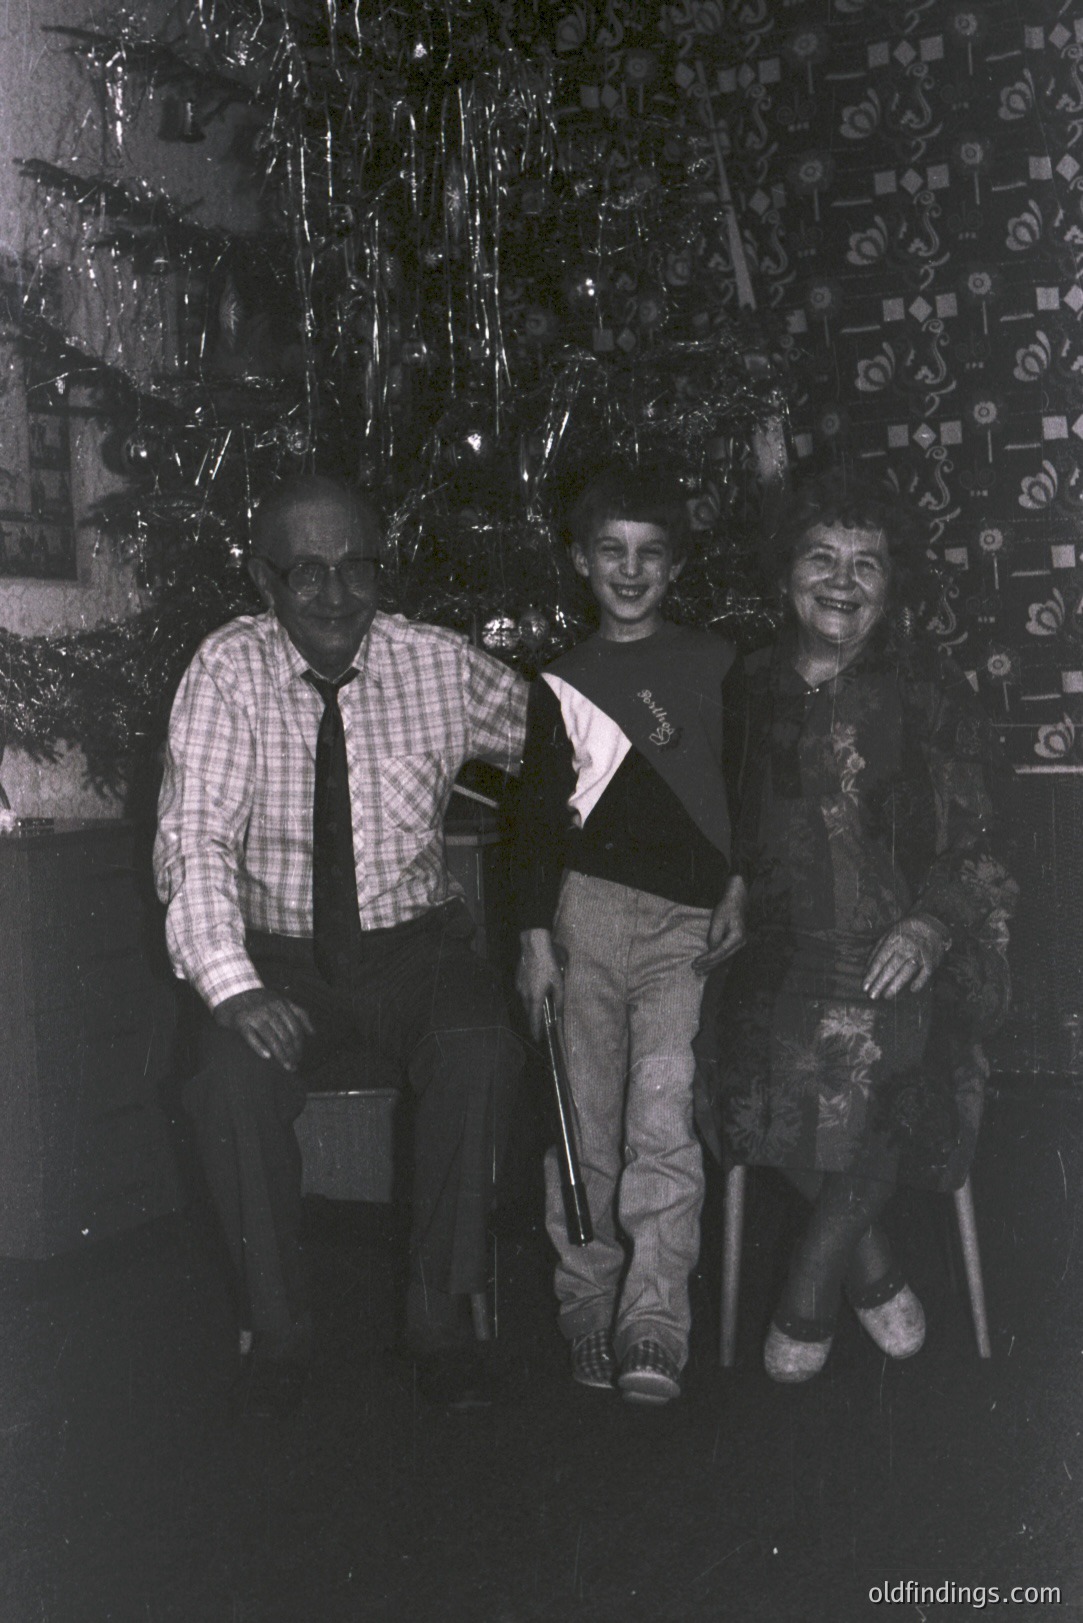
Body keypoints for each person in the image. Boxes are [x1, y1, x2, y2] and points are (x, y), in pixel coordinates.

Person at [154, 473, 528, 1417]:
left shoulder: (437, 665)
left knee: (480, 1045)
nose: (333, 594)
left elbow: (566, 748)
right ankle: (277, 1332)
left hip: (414, 951)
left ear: (380, 568)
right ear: (263, 578)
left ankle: (440, 1321)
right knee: (226, 1080)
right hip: (276, 958)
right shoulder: (227, 670)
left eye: (355, 566)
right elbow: (194, 840)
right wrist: (235, 988)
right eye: (306, 571)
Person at [693, 470, 1017, 1382]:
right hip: (784, 948)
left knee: (897, 1057)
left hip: (913, 946)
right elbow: (726, 813)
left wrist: (929, 925)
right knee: (745, 1050)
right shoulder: (747, 685)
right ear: (784, 572)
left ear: (891, 582)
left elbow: (987, 837)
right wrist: (731, 882)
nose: (841, 581)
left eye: (864, 563)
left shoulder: (929, 691)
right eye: (820, 558)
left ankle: (809, 1279)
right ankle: (870, 1266)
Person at [512, 464, 746, 1404]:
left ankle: (653, 1318)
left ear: (677, 565)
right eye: (610, 550)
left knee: (662, 1117)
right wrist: (533, 938)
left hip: (684, 929)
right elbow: (534, 820)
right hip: (585, 918)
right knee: (583, 1125)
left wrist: (739, 885)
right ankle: (586, 1305)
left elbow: (747, 791)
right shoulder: (562, 681)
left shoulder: (717, 665)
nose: (630, 568)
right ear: (580, 560)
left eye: (651, 553)